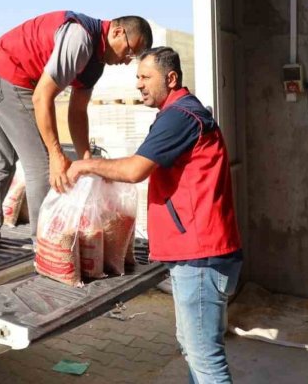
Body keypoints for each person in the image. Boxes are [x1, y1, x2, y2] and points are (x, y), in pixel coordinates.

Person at [66, 47, 242, 384]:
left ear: (171, 78)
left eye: (146, 77)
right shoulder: (180, 113)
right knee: (193, 349)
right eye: (137, 77)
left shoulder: (180, 116)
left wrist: (86, 165)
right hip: (196, 252)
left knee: (206, 359)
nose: (139, 84)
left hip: (199, 255)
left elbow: (135, 170)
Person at [0, 11, 153, 243]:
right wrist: (56, 154)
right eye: (129, 51)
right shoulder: (80, 39)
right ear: (118, 32)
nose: (127, 60)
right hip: (6, 75)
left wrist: (88, 161)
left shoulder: (96, 64)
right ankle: (45, 245)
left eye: (133, 57)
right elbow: (42, 97)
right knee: (43, 165)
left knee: (3, 157)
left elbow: (77, 111)